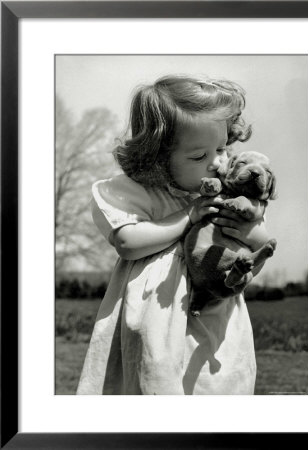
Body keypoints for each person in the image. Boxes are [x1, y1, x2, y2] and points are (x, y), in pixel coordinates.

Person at [77, 75, 270, 395]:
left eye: (221, 148)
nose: (217, 162)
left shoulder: (228, 195)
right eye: (198, 156)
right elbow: (127, 243)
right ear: (158, 157)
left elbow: (255, 250)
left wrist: (254, 237)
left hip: (214, 318)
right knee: (156, 382)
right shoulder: (145, 194)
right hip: (157, 318)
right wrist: (188, 217)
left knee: (214, 386)